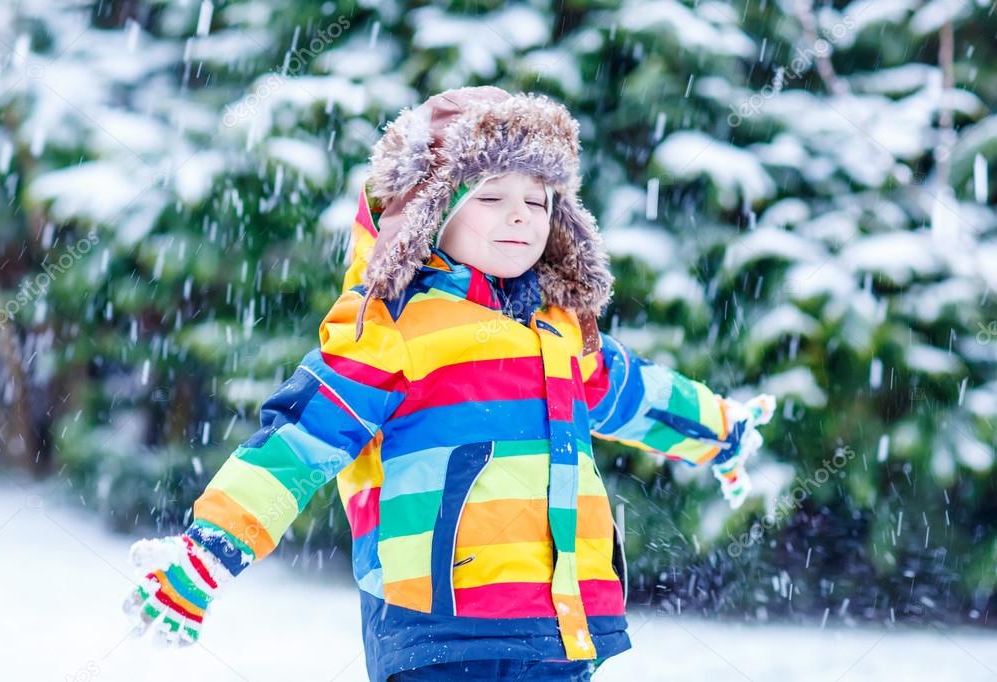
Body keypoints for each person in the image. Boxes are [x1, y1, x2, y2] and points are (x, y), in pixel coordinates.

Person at [122, 86, 776, 681]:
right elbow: (299, 439)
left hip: (561, 625)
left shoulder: (560, 328)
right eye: (490, 196)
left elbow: (631, 394)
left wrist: (719, 430)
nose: (519, 216)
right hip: (440, 625)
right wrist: (208, 551)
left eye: (537, 200)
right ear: (430, 213)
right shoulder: (394, 326)